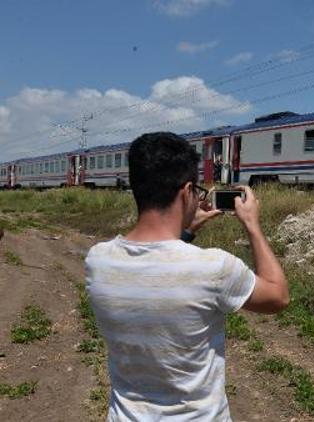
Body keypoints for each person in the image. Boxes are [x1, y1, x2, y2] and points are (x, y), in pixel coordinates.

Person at [85, 132, 289, 421]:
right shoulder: (215, 268)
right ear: (186, 191)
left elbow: (157, 267)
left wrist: (185, 232)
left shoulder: (98, 260)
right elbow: (277, 296)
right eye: (198, 191)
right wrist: (252, 226)